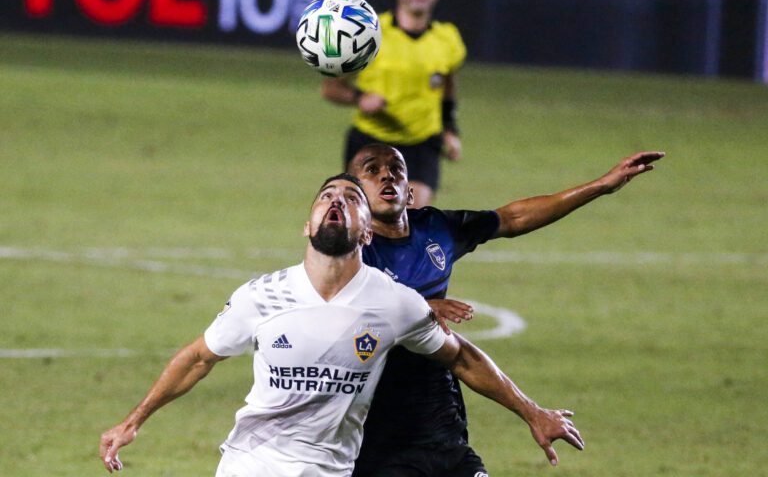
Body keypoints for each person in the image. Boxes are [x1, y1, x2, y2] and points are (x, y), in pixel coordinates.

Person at [99, 173, 583, 476]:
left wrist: (532, 411)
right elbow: (198, 357)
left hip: (335, 469)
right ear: (307, 225)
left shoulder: (395, 304)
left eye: (350, 198)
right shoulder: (261, 296)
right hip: (252, 465)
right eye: (326, 195)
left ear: (367, 228)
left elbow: (464, 358)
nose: (335, 200)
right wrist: (133, 420)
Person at [347, 144, 665, 476]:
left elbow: (512, 218)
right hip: (373, 417)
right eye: (372, 169)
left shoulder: (435, 228)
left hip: (438, 410)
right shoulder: (348, 250)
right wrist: (419, 306)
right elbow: (342, 308)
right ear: (355, 195)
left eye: (396, 169)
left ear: (410, 192)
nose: (387, 175)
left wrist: (601, 185)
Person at [322, 0, 465, 208]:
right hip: (371, 141)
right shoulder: (370, 34)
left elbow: (447, 87)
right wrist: (359, 97)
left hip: (421, 144)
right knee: (364, 224)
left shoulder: (448, 39)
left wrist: (449, 129)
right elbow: (331, 88)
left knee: (411, 220)